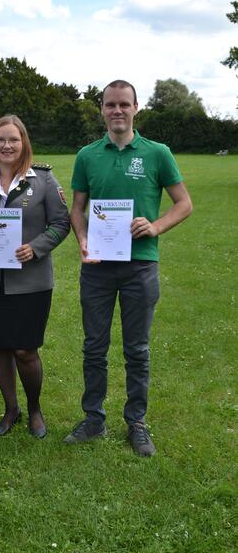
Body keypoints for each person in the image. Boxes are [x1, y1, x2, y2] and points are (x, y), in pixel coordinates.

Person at [64, 80, 193, 455]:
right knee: (94, 347)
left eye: (124, 104)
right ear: (102, 109)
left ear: (136, 108)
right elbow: (77, 209)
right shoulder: (87, 155)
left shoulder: (157, 153)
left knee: (137, 349)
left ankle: (136, 422)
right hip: (98, 267)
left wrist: (155, 226)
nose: (117, 110)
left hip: (141, 266)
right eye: (110, 104)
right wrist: (82, 239)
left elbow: (184, 204)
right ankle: (93, 419)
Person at [0, 115, 70, 438]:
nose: (6, 146)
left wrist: (35, 248)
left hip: (31, 282)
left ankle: (34, 409)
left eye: (13, 140)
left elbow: (61, 223)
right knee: (1, 346)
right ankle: (11, 409)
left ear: (24, 143)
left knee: (25, 350)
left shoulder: (44, 180)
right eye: (0, 140)